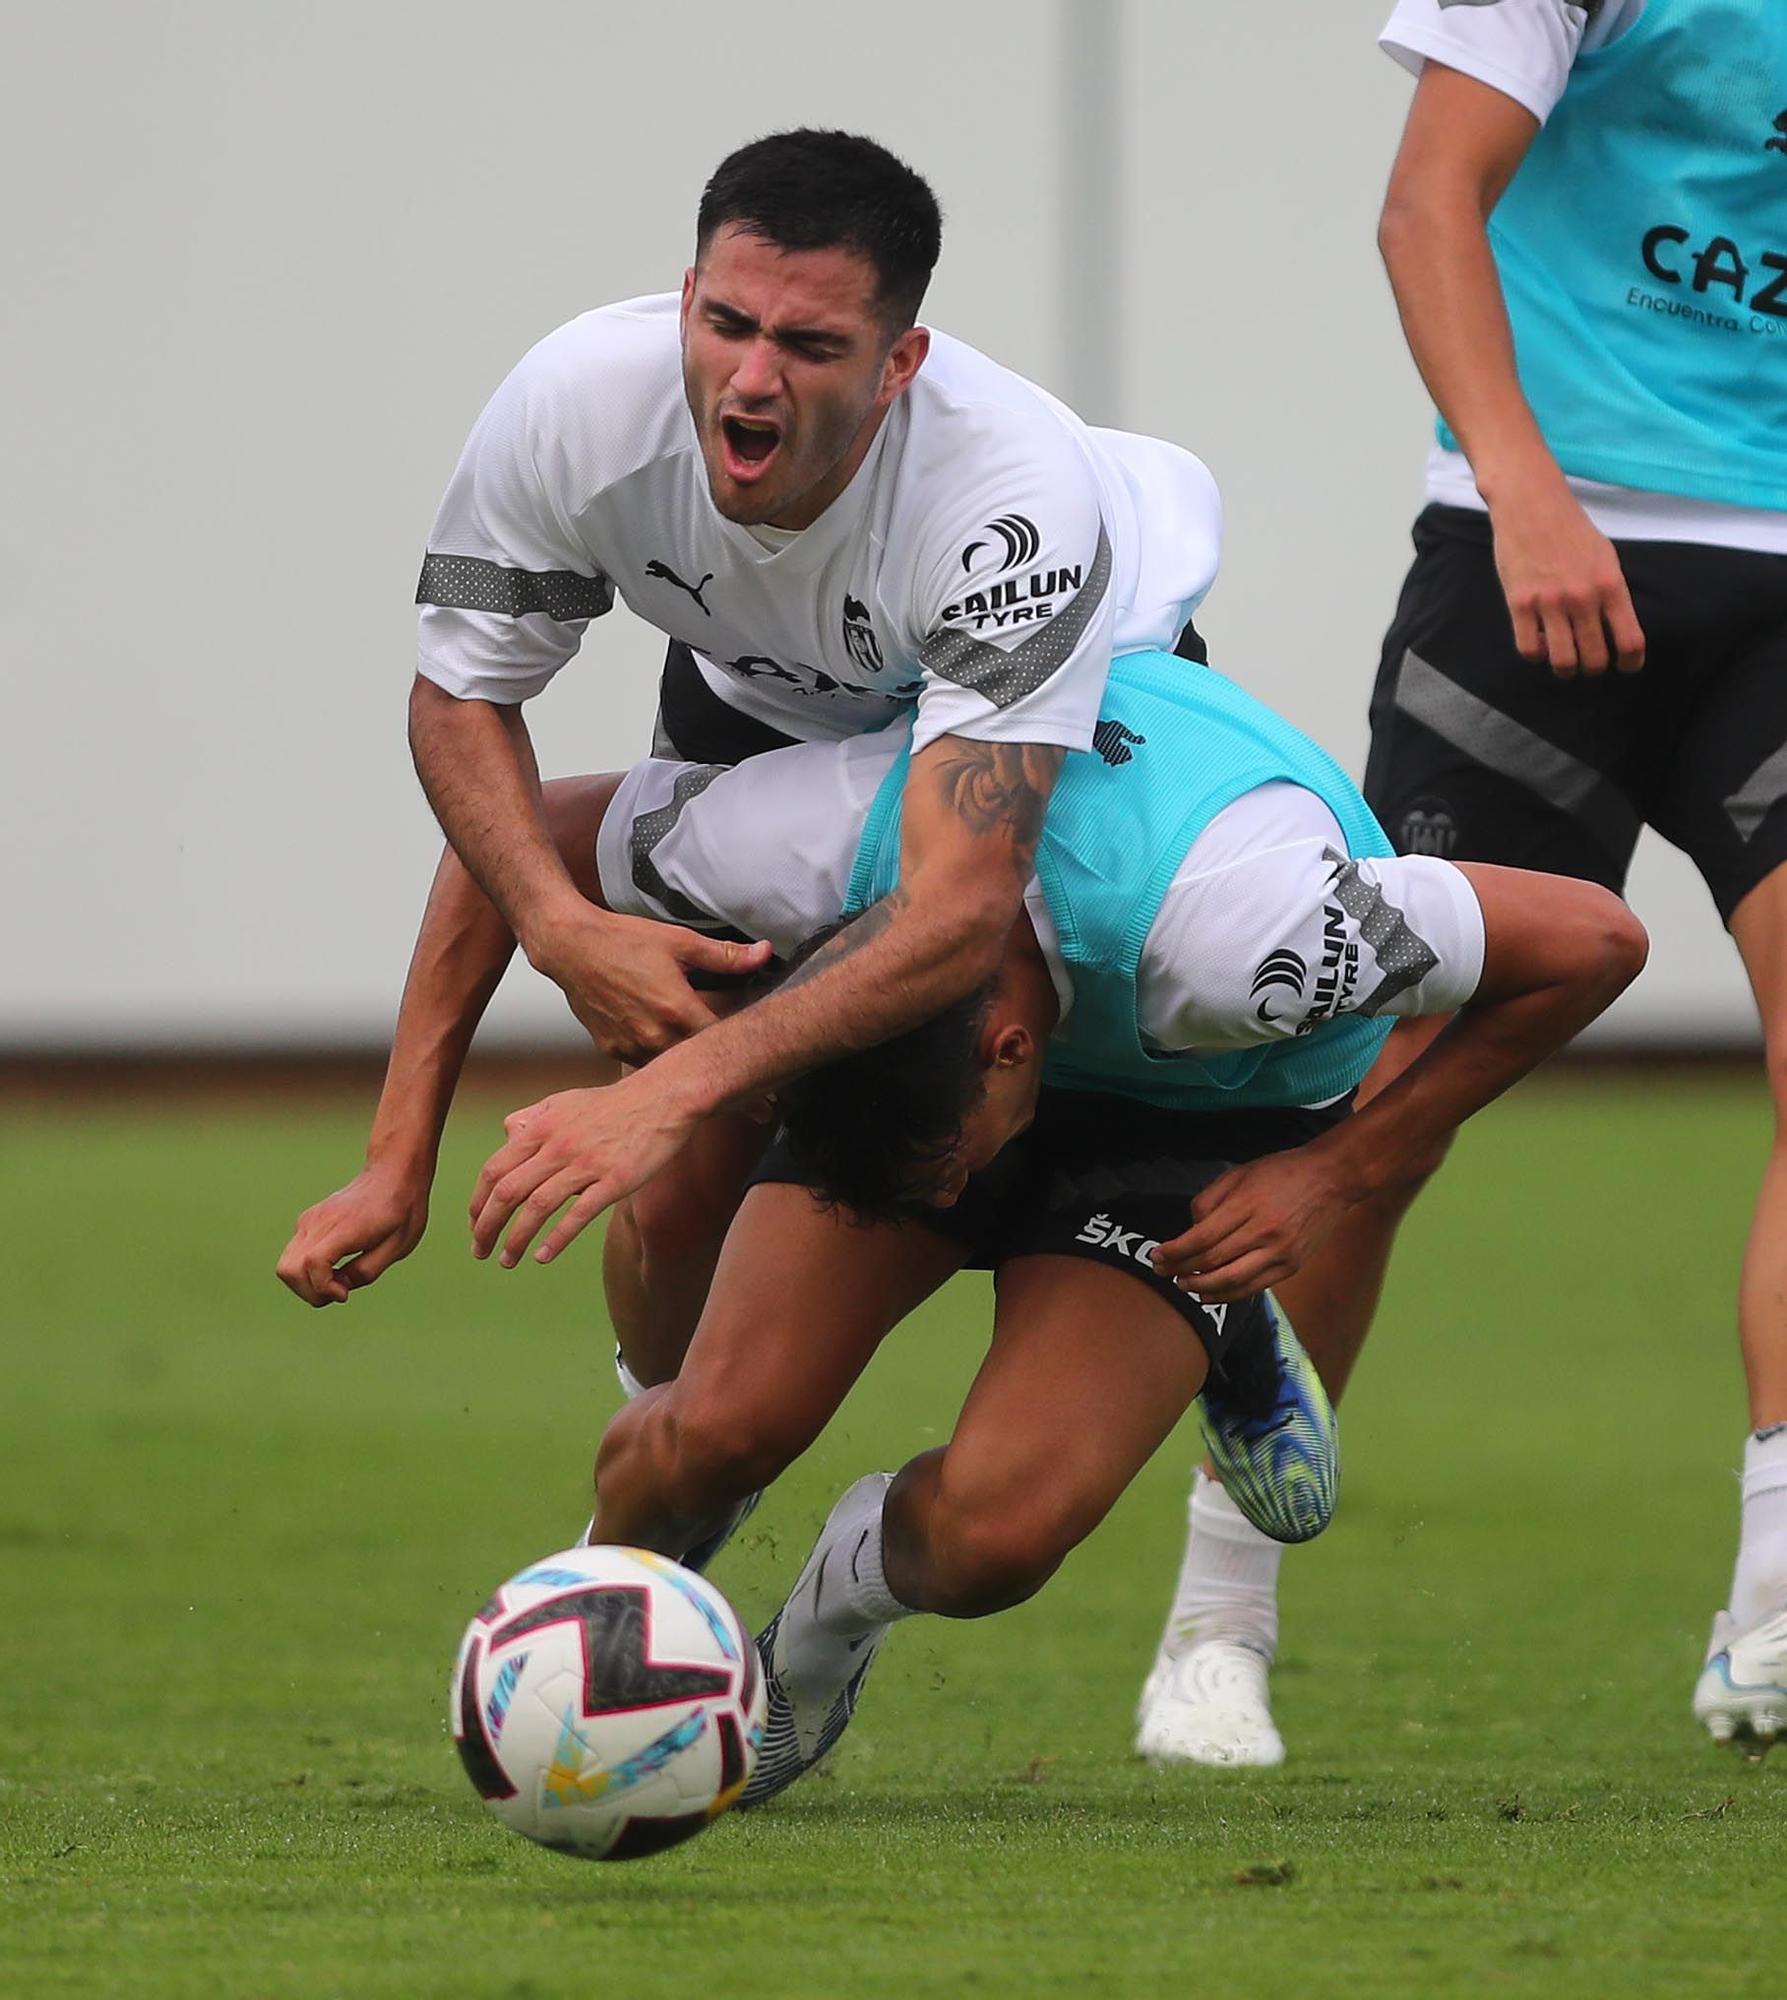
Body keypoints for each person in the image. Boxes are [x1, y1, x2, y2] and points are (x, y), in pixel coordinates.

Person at [467, 645, 1639, 1806]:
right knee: (708, 1430)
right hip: (942, 1061)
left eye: (934, 1176)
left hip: (1193, 1106)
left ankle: (821, 1627)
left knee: (996, 1539)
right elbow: (537, 826)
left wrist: (1339, 1173)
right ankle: (584, 1613)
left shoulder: (1255, 934)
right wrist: (488, 1058)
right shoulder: (829, 831)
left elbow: (1592, 939)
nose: (925, 1207)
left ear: (1012, 1056)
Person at [1140, 0, 1787, 1770]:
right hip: (1535, 558)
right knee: (1388, 1107)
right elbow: (1426, 206)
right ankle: (1215, 1624)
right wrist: (1523, 485)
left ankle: (1770, 1607)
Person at [400, 125, 1220, 1396]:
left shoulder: (1007, 504)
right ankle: (660, 1516)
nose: (750, 378)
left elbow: (954, 909)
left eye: (810, 345)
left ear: (898, 364)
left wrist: (676, 1085)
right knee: (674, 1205)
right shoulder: (576, 403)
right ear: (682, 297)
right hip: (758, 692)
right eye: (726, 323)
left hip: (1082, 693)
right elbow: (462, 701)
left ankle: (1219, 1318)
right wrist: (546, 958)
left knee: (994, 1108)